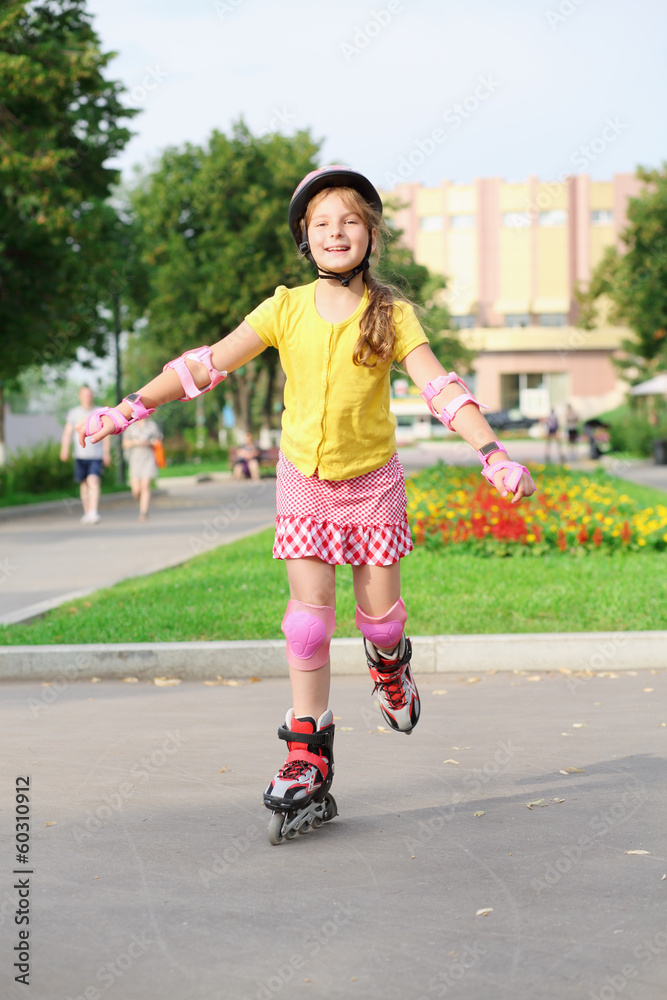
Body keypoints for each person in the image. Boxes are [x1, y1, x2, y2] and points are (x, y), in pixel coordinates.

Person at [76, 166, 536, 839]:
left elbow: (442, 389)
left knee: (378, 623)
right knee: (307, 625)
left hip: (372, 485)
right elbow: (205, 364)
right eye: (321, 223)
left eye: (349, 220)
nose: (336, 232)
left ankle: (389, 668)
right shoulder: (283, 308)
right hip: (304, 482)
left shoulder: (391, 313)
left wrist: (491, 453)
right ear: (304, 238)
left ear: (370, 233)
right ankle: (303, 756)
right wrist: (132, 406)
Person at [60, 385, 111, 524]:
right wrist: (64, 449)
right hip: (80, 455)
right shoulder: (74, 413)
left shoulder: (99, 412)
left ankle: (94, 511)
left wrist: (107, 453)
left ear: (92, 396)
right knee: (84, 484)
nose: (88, 397)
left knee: (93, 481)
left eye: (90, 394)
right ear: (80, 396)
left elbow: (106, 434)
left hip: (96, 455)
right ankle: (87, 512)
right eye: (85, 394)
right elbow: (68, 433)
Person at [122, 416, 163, 521]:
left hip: (148, 457)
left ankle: (143, 512)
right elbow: (125, 444)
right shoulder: (131, 427)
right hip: (135, 458)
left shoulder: (152, 425)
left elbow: (158, 441)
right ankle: (141, 504)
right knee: (136, 490)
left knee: (145, 486)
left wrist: (149, 442)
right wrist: (135, 442)